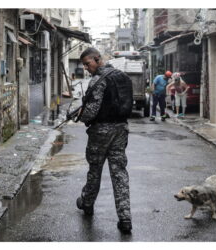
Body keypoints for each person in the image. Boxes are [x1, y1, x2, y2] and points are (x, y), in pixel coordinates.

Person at [76, 47, 133, 234]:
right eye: (84, 65)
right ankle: (125, 218)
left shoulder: (98, 80)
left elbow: (91, 111)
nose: (86, 68)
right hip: (121, 129)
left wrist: (82, 116)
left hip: (101, 131)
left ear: (98, 59)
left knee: (95, 170)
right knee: (119, 173)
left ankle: (87, 203)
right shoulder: (123, 77)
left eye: (88, 63)